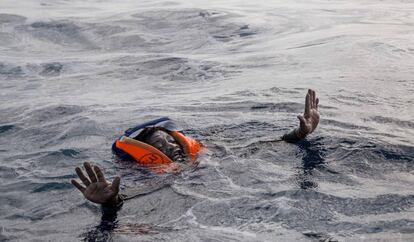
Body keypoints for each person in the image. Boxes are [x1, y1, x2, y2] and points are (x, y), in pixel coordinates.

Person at [71, 89, 320, 211]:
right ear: (147, 157)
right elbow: (130, 197)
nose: (167, 145)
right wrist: (111, 202)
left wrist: (298, 134)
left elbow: (257, 147)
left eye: (169, 140)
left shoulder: (206, 157)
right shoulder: (159, 180)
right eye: (158, 145)